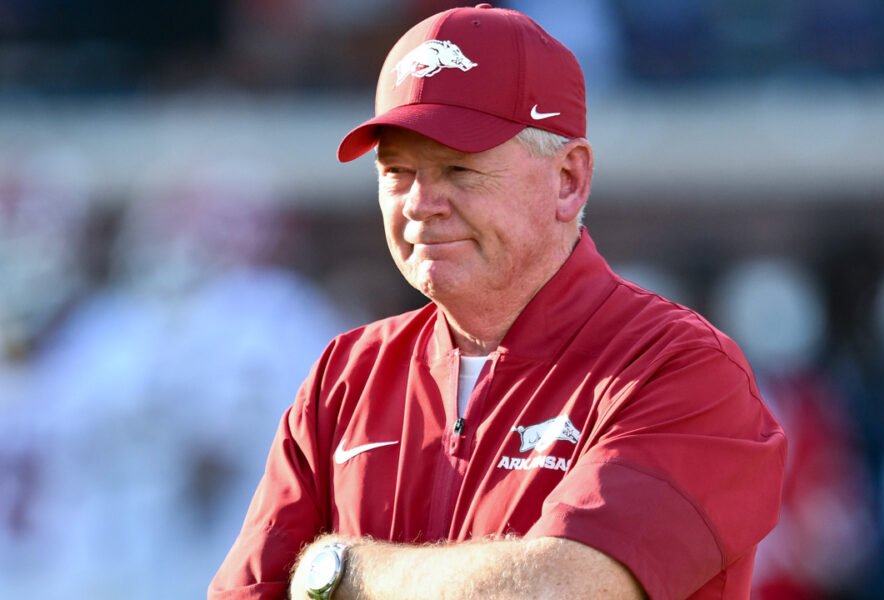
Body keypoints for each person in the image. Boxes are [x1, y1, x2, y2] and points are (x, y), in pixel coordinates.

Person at [210, 5, 786, 599]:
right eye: (397, 172)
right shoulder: (346, 375)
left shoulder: (680, 367)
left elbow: (556, 593)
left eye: (458, 169)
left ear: (569, 179)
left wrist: (338, 570)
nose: (418, 203)